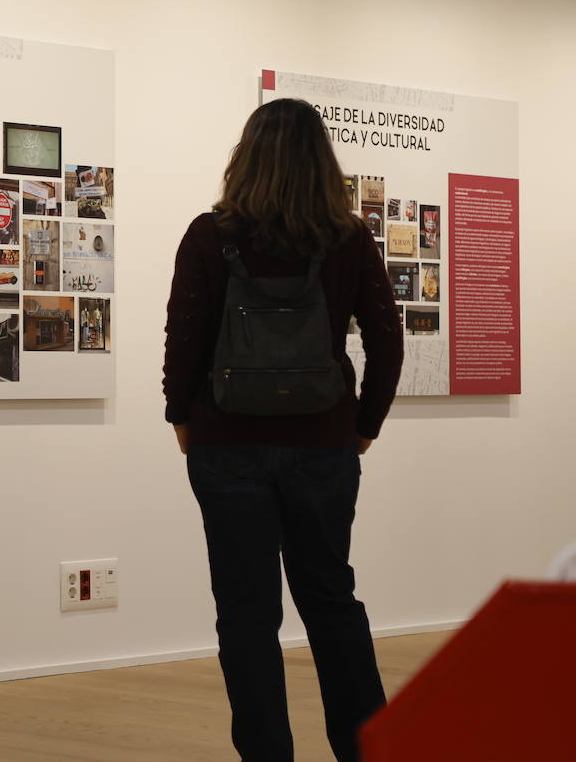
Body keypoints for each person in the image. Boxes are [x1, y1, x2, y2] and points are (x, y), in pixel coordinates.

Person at [163, 98, 403, 762]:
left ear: (247, 159)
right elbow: (387, 338)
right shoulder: (348, 237)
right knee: (331, 601)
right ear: (323, 163)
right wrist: (363, 427)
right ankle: (367, 749)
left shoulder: (210, 236)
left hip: (227, 446)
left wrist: (183, 417)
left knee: (246, 616)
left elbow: (184, 339)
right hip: (324, 446)